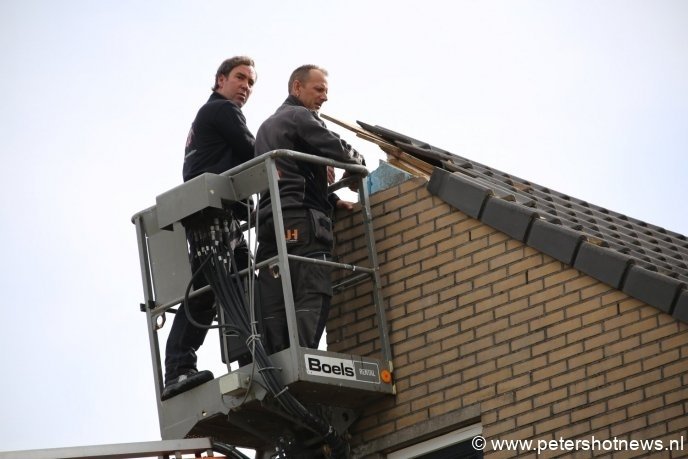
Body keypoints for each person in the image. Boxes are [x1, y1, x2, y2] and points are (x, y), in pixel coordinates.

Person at [162, 56, 257, 400]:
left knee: (213, 290)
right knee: (227, 285)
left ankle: (182, 367)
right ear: (220, 80)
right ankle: (179, 369)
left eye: (250, 83)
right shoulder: (222, 110)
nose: (245, 87)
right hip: (213, 217)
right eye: (240, 78)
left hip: (209, 214)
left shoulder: (209, 114)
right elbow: (252, 150)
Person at [254, 64, 365, 354]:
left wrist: (330, 200)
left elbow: (289, 174)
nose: (324, 98)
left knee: (275, 297)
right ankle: (303, 357)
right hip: (301, 221)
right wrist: (358, 164)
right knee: (312, 289)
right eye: (319, 89)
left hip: (269, 225)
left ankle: (278, 362)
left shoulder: (266, 127)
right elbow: (338, 148)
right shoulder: (299, 116)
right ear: (296, 88)